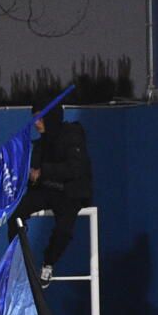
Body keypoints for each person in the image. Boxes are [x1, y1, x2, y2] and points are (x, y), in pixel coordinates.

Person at [10, 100, 93, 287]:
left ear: (51, 117)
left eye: (40, 118)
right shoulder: (40, 144)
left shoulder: (72, 136)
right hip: (45, 190)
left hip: (69, 192)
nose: (36, 123)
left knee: (64, 229)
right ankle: (19, 263)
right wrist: (30, 175)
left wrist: (43, 171)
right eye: (34, 119)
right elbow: (34, 173)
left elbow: (75, 168)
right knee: (15, 215)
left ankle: (48, 265)